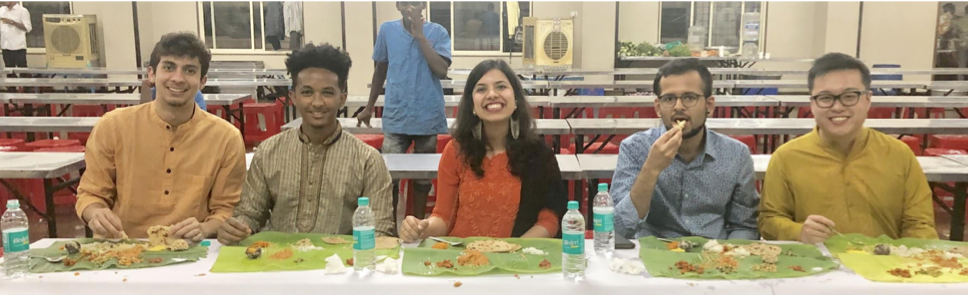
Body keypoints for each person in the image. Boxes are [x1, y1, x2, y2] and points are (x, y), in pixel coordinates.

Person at [217, 43, 395, 245]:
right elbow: (250, 214)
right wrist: (236, 228)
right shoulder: (269, 151)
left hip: (340, 268)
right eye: (307, 92)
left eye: (327, 93)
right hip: (277, 265)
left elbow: (380, 230)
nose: (317, 102)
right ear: (293, 97)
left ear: (342, 98)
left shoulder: (367, 160)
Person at [76, 32, 246, 242]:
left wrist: (204, 228)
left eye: (189, 70)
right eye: (168, 67)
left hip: (192, 250)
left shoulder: (226, 138)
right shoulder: (113, 126)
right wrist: (96, 213)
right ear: (151, 74)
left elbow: (227, 209)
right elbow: (90, 194)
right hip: (122, 248)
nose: (177, 78)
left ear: (202, 82)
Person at [758, 53, 938, 243]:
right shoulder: (787, 157)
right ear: (812, 103)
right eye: (825, 98)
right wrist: (798, 232)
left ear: (868, 99)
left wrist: (908, 263)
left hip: (884, 266)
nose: (837, 107)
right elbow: (768, 220)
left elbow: (920, 224)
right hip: (812, 266)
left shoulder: (898, 154)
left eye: (849, 96)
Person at [399, 59, 568, 242]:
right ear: (472, 104)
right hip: (461, 261)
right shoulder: (456, 151)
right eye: (481, 89)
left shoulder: (538, 154)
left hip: (518, 261)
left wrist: (511, 252)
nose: (492, 94)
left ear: (516, 99)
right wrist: (421, 228)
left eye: (501, 87)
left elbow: (549, 220)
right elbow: (443, 217)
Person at [610, 58, 759, 240]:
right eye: (669, 99)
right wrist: (651, 169)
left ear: (709, 106)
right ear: (658, 107)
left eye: (690, 98)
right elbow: (618, 228)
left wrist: (727, 258)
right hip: (652, 255)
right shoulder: (634, 148)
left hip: (712, 256)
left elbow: (744, 226)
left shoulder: (736, 155)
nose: (678, 107)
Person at [360, 1, 452, 220]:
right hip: (396, 116)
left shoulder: (438, 32)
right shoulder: (387, 30)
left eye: (416, 2)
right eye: (406, 2)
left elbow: (441, 70)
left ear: (424, 6)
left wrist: (420, 35)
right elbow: (380, 70)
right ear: (398, 6)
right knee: (388, 177)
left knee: (422, 178)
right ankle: (389, 227)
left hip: (427, 116)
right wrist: (369, 107)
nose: (411, 7)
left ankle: (419, 226)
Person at [0, 1, 31, 69]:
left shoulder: (22, 11)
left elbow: (28, 28)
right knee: (9, 70)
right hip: (5, 46)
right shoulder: (1, 10)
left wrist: (12, 22)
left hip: (18, 47)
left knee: (22, 70)